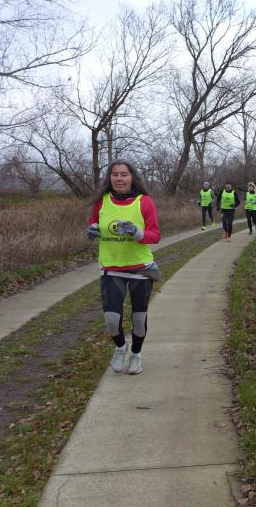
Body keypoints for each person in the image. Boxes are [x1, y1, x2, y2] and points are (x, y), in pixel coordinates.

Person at [86, 160, 161, 375]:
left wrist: (137, 233)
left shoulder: (144, 202)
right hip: (111, 268)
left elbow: (155, 235)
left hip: (140, 269)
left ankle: (136, 354)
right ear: (109, 178)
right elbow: (94, 223)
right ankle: (120, 347)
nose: (119, 178)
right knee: (111, 320)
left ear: (132, 177)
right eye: (115, 174)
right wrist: (93, 229)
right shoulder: (101, 201)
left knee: (138, 319)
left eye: (124, 174)